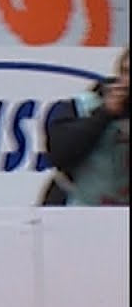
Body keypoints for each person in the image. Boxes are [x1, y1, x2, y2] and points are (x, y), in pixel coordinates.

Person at [44, 46, 129, 206]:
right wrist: (104, 114)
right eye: (126, 72)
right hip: (78, 208)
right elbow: (59, 154)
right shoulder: (82, 106)